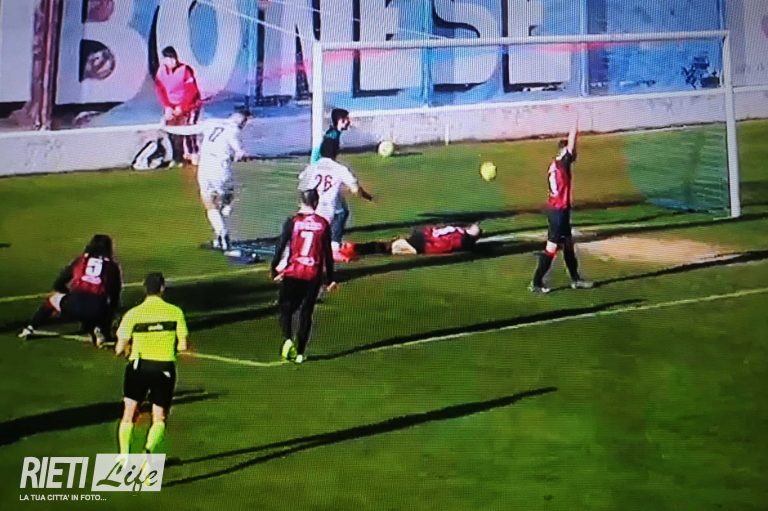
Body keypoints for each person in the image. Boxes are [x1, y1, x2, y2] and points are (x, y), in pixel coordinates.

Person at [115, 272, 189, 456]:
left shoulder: (133, 314)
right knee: (159, 417)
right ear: (162, 288)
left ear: (145, 289)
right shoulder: (175, 312)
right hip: (164, 368)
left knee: (129, 412)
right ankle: (148, 453)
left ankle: (124, 456)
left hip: (138, 366)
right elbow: (183, 345)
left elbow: (119, 348)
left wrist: (126, 350)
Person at [163, 110, 249, 251]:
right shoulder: (233, 131)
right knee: (228, 196)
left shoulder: (211, 123)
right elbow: (238, 150)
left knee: (209, 203)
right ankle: (223, 228)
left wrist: (166, 128)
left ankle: (221, 234)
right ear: (243, 122)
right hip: (221, 169)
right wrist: (241, 154)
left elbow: (188, 130)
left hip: (205, 167)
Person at [18, 234, 122, 347]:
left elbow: (58, 283)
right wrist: (110, 314)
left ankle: (30, 328)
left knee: (52, 300)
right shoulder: (112, 266)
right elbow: (115, 294)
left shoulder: (80, 260)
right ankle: (101, 330)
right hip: (96, 309)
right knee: (105, 306)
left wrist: (68, 294)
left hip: (73, 304)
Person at [271, 189, 336, 364]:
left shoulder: (293, 222)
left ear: (300, 202)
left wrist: (274, 268)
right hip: (313, 274)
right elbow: (327, 253)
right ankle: (300, 352)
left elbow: (281, 245)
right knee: (306, 312)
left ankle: (287, 339)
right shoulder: (323, 224)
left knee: (285, 307)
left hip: (293, 271)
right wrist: (330, 278)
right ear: (316, 203)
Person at [529, 117, 593, 293]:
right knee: (551, 248)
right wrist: (575, 123)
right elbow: (572, 144)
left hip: (558, 211)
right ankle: (536, 283)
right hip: (558, 213)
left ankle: (575, 280)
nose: (575, 154)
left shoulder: (555, 165)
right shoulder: (563, 163)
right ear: (564, 150)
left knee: (568, 245)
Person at [298, 137, 373, 261]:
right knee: (342, 212)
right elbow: (355, 190)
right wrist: (368, 197)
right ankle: (334, 247)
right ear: (336, 151)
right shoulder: (340, 169)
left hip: (309, 208)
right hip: (328, 210)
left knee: (340, 210)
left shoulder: (312, 167)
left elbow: (302, 184)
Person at [155, 46, 202, 167]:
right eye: (169, 59)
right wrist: (167, 106)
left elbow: (191, 90)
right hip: (172, 105)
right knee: (173, 131)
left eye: (174, 58)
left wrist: (182, 106)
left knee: (189, 129)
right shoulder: (161, 72)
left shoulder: (185, 70)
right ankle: (178, 157)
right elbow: (160, 90)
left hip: (190, 105)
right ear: (164, 60)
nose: (173, 61)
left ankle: (193, 153)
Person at [344, 223, 482, 258]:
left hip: (423, 239)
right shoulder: (462, 237)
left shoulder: (459, 233)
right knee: (390, 248)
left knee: (390, 247)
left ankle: (355, 249)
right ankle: (355, 249)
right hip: (424, 241)